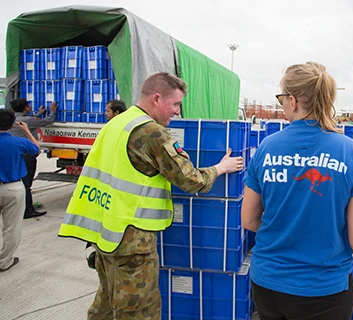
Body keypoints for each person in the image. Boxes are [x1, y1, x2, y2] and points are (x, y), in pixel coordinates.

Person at [58, 72, 244, 320]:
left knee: (106, 303)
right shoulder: (150, 132)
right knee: (139, 311)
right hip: (132, 243)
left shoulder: (118, 123)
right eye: (176, 104)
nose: (177, 111)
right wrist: (221, 168)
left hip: (105, 235)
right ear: (157, 98)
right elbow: (190, 180)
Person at [241, 61, 353, 320]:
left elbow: (248, 219)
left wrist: (286, 229)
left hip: (269, 283)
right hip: (323, 290)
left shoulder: (267, 148)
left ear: (292, 101)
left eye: (281, 100)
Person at [0, 109, 41, 272]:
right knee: (11, 228)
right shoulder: (17, 142)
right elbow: (36, 150)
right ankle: (4, 261)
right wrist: (26, 131)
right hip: (13, 188)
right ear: (11, 125)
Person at [9, 98, 58, 219]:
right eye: (28, 105)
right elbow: (48, 121)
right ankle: (28, 210)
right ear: (26, 108)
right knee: (26, 183)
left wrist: (39, 114)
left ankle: (17, 207)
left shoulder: (12, 120)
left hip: (15, 156)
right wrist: (52, 111)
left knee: (17, 181)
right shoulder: (27, 120)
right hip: (27, 156)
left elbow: (30, 120)